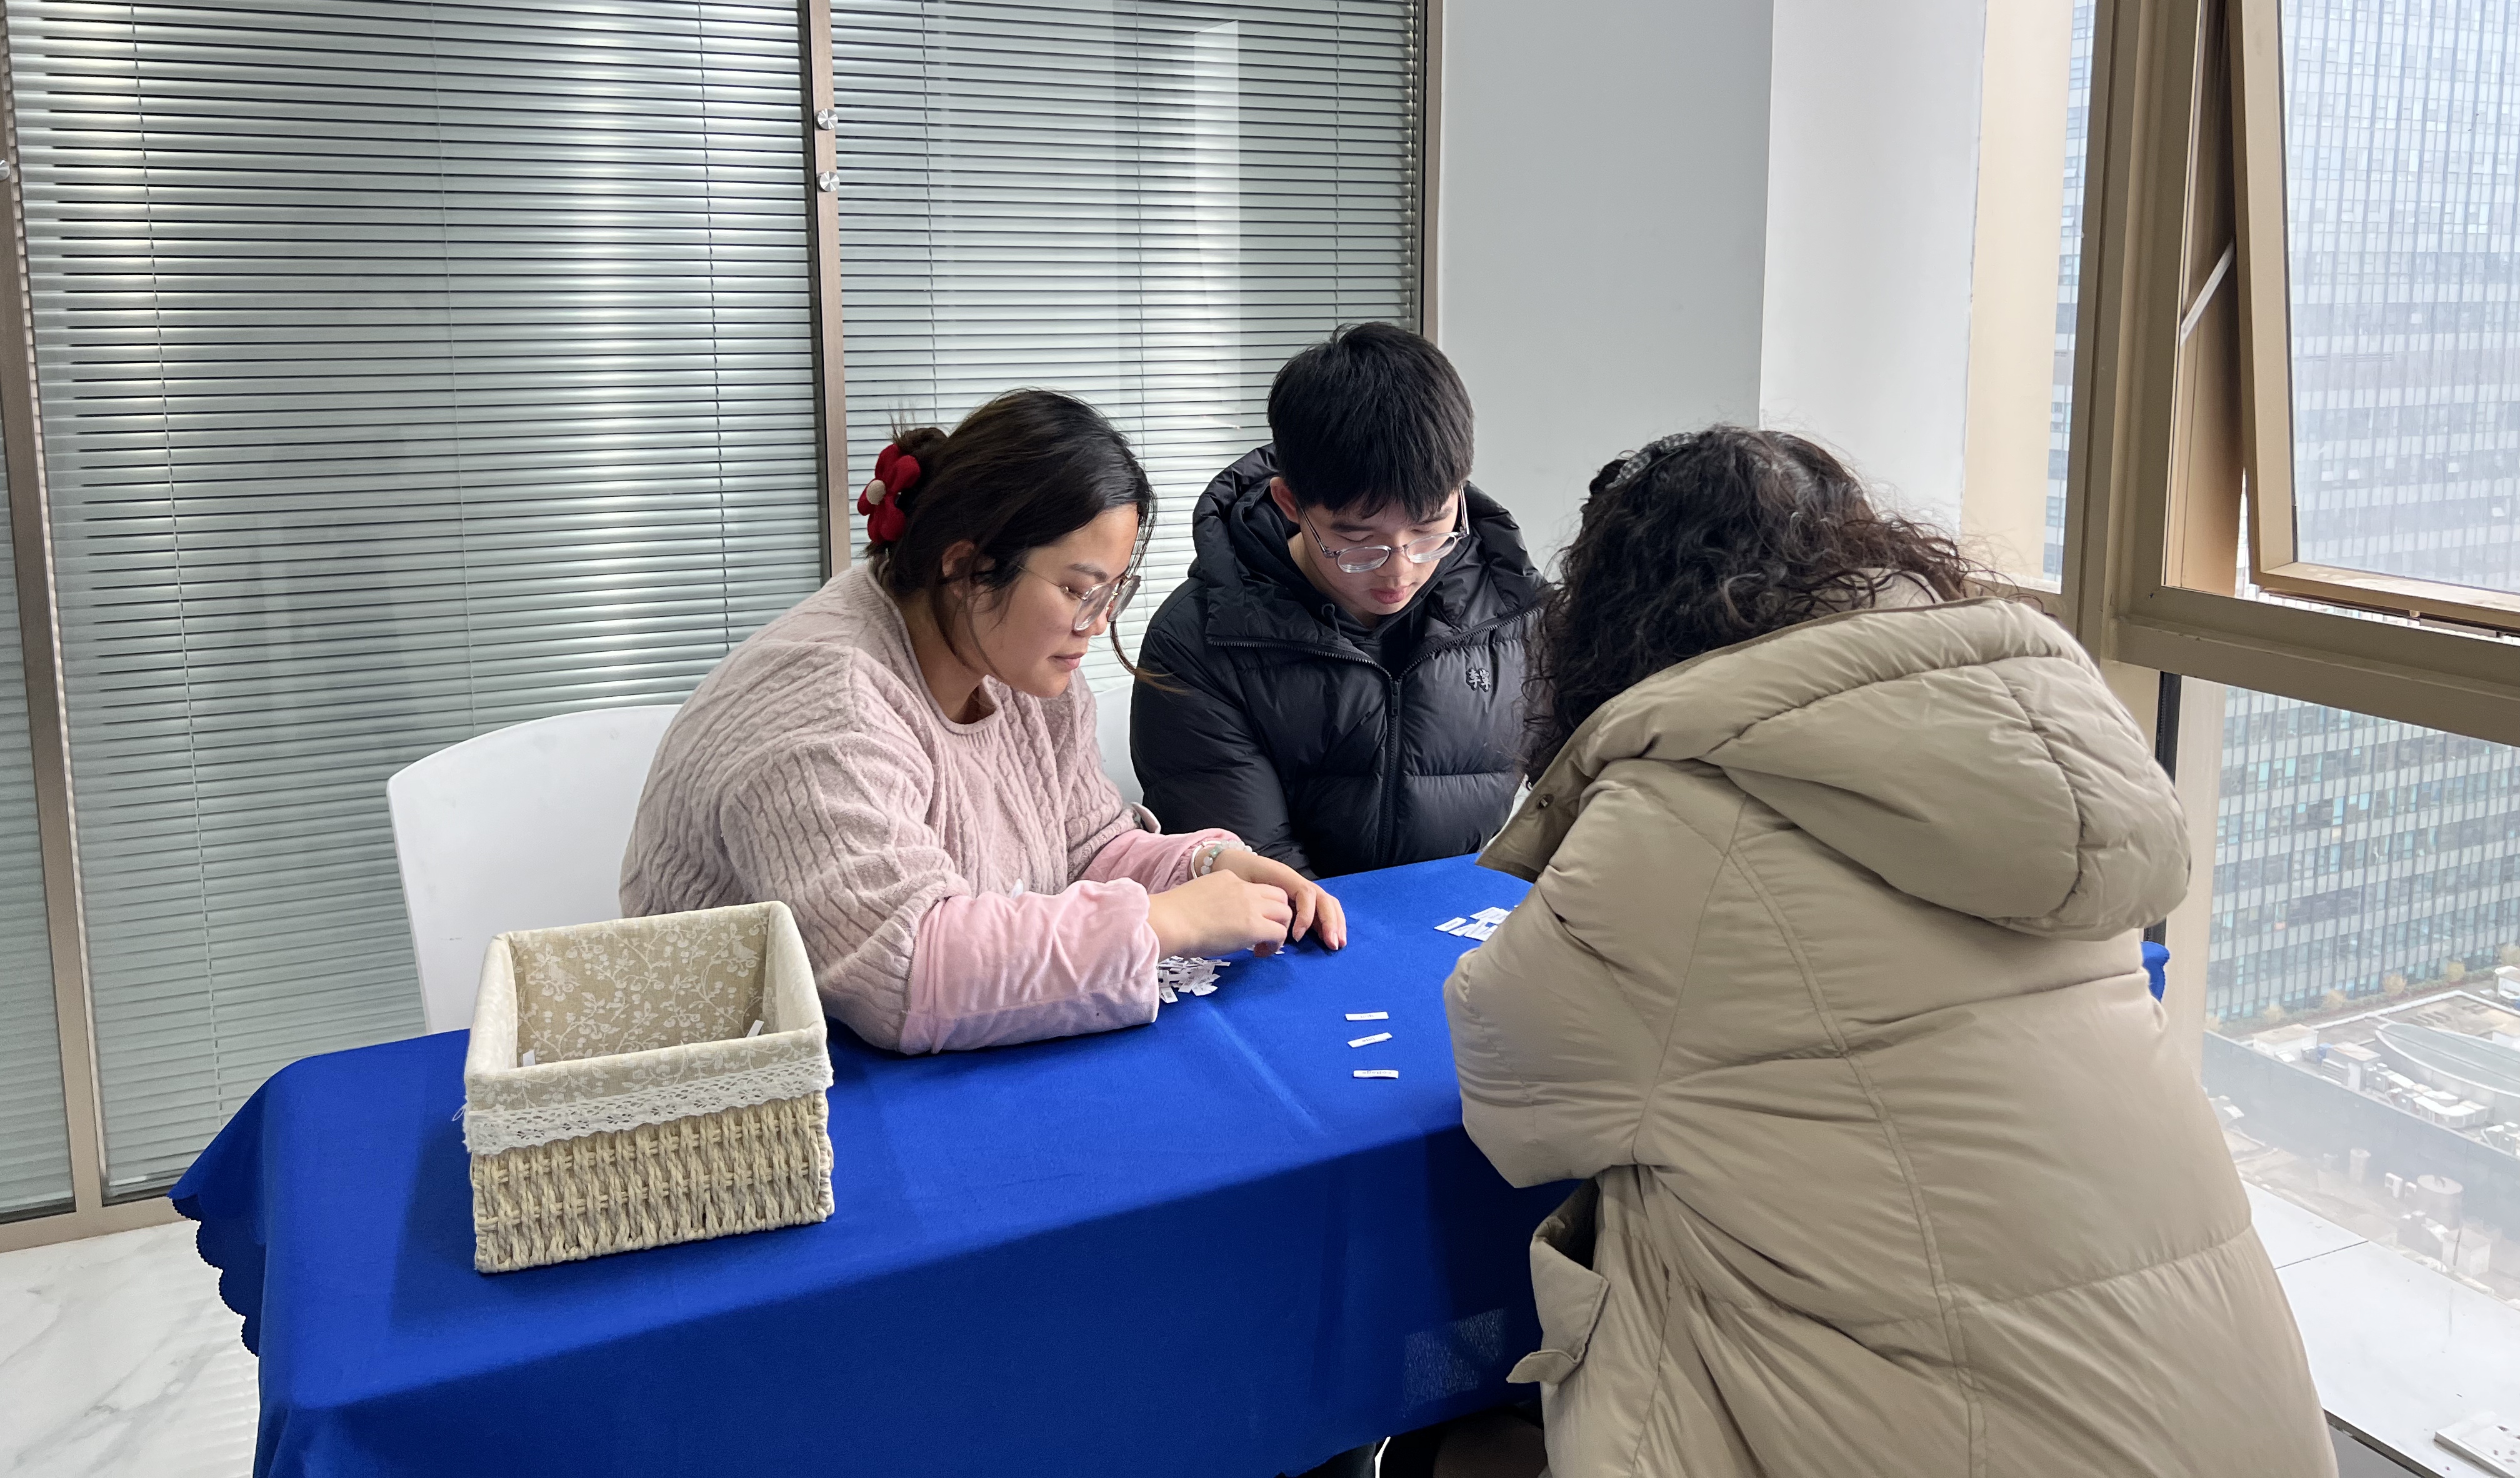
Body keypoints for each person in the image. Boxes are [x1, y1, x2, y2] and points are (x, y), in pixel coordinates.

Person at [1443, 427, 2335, 1478]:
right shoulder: (2041, 765)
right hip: (2245, 1421)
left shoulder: (1675, 821)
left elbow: (1512, 1093)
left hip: (1950, 1434)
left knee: (1463, 1438)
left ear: (1612, 618)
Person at [621, 390, 1344, 1054]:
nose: (1097, 625)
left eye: (1111, 593)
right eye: (1078, 591)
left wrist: (1206, 867)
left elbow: (1086, 848)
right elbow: (906, 971)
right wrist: (1171, 921)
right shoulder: (824, 707)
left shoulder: (1015, 661)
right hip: (727, 1091)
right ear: (967, 567)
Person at [1131, 321, 1541, 875]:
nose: (1400, 568)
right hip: (1296, 922)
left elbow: (1585, 794)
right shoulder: (1197, 643)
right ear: (1290, 503)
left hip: (1470, 917)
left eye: (1430, 530)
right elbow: (1258, 874)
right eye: (1357, 540)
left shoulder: (1515, 611)